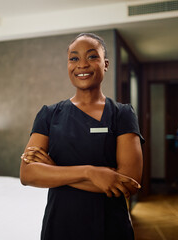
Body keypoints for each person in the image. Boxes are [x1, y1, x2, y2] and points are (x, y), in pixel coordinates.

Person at [19, 32, 144, 240]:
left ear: (105, 64)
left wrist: (54, 171)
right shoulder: (49, 115)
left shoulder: (122, 114)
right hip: (60, 225)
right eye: (74, 58)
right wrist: (91, 173)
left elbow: (129, 183)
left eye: (92, 56)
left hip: (109, 227)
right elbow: (27, 175)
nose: (82, 64)